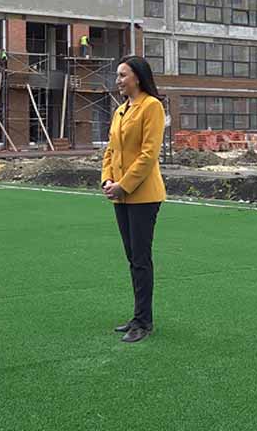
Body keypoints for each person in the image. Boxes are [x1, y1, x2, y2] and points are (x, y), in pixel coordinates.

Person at [101, 55, 166, 343]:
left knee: (140, 259)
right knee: (132, 258)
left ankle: (144, 321)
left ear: (137, 77)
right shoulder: (120, 110)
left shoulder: (151, 106)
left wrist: (123, 185)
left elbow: (148, 154)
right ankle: (137, 316)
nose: (118, 80)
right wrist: (107, 180)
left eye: (122, 75)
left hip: (143, 196)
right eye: (117, 75)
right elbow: (110, 151)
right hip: (121, 196)